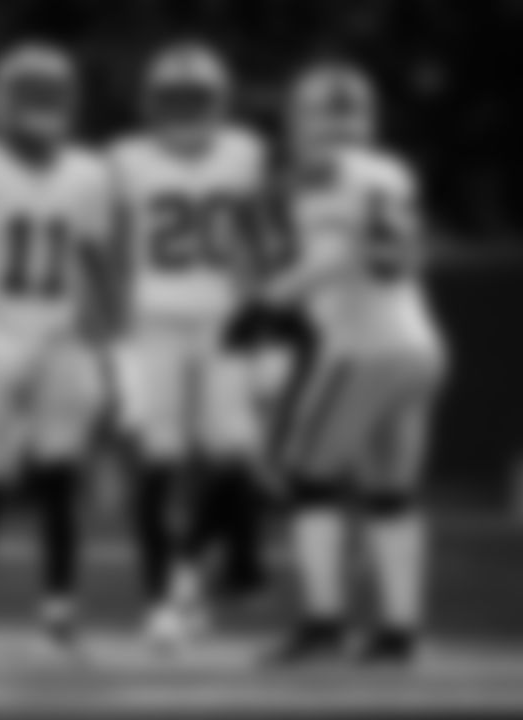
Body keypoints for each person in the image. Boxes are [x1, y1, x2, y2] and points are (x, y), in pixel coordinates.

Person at [0, 43, 116, 659]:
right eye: (28, 96)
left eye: (49, 96)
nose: (40, 109)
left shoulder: (89, 172)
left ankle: (59, 615)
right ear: (0, 103)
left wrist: (100, 325)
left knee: (58, 476)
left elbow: (93, 259)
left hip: (59, 332)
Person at [264, 61, 445, 665]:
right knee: (391, 491)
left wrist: (274, 298)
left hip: (364, 348)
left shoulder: (328, 176)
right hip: (418, 345)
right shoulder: (389, 170)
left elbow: (351, 250)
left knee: (308, 476)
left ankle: (324, 621)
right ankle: (399, 630)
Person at [106, 40, 272, 648]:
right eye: (173, 98)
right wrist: (115, 338)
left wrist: (262, 319)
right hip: (151, 321)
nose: (183, 109)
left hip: (223, 319)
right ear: (151, 102)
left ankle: (185, 579)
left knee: (233, 454)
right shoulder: (124, 158)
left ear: (219, 101)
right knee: (157, 463)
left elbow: (258, 242)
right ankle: (163, 597)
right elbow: (117, 250)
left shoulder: (244, 153)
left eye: (194, 98)